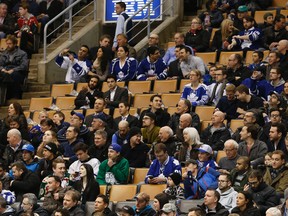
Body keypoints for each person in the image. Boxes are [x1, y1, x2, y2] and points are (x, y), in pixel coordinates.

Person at [0, 35, 28, 100]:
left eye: (10, 44)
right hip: (5, 70)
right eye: (7, 44)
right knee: (4, 75)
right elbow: (0, 65)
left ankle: (14, 96)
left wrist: (13, 70)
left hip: (17, 71)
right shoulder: (4, 54)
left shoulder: (22, 53)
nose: (8, 45)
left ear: (15, 44)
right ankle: (3, 96)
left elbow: (24, 66)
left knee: (13, 75)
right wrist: (2, 69)